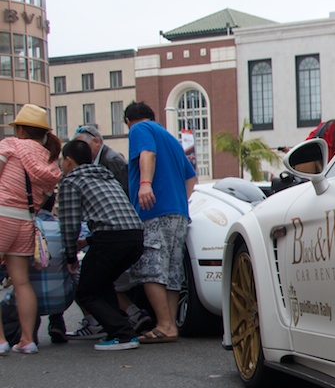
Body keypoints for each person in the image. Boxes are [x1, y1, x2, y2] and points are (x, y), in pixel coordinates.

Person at [58, 139, 146, 350]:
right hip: (135, 237)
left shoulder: (71, 182)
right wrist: (88, 241)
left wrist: (70, 256)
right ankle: (118, 331)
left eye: (62, 160)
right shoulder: (107, 177)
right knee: (103, 284)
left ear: (68, 160)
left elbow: (69, 224)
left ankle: (123, 334)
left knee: (86, 291)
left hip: (110, 241)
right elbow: (115, 217)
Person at [123, 101, 196, 344]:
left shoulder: (139, 129)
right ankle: (170, 324)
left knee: (151, 268)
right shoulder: (171, 139)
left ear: (128, 122)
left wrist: (145, 184)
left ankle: (164, 324)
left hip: (153, 209)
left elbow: (148, 153)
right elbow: (191, 177)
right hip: (179, 212)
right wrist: (179, 201)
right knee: (172, 270)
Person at [0, 104, 63, 355]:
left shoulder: (10, 145)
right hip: (26, 223)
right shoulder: (50, 161)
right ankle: (27, 340)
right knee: (22, 282)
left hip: (1, 214)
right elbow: (45, 198)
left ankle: (1, 340)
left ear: (21, 130)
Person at [1, 198, 72, 346]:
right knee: (61, 275)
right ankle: (55, 322)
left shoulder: (24, 226)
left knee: (20, 287)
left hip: (26, 302)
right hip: (62, 300)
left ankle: (18, 336)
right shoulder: (61, 226)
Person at [73, 123, 129, 190]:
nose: (80, 149)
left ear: (96, 141)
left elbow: (123, 189)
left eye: (83, 145)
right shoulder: (98, 160)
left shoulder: (112, 160)